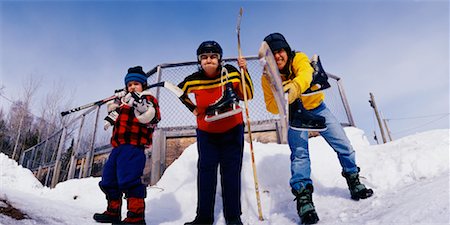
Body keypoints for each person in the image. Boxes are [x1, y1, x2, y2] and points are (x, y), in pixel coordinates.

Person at [261, 33, 373, 224]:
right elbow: (271, 105)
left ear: (287, 51)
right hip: (295, 114)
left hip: (318, 109)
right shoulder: (268, 77)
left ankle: (354, 181)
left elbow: (306, 74)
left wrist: (293, 87)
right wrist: (282, 96)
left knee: (343, 144)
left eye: (280, 51)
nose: (278, 56)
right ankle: (304, 199)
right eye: (273, 54)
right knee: (300, 154)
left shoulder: (299, 58)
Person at [178, 41, 254, 225]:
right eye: (204, 57)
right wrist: (193, 109)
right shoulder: (193, 79)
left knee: (231, 172)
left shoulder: (231, 72)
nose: (208, 60)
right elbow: (179, 92)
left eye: (213, 56)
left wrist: (245, 71)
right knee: (206, 173)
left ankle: (233, 217)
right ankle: (203, 217)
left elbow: (248, 95)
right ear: (199, 60)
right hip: (207, 133)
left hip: (232, 130)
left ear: (219, 58)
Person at [93, 66, 161, 225]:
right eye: (129, 84)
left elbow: (154, 118)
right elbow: (114, 115)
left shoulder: (147, 98)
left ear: (143, 85)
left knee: (129, 180)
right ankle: (113, 211)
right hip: (117, 147)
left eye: (136, 84)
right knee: (109, 180)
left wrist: (139, 104)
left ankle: (136, 216)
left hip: (134, 146)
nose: (132, 87)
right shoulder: (124, 102)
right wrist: (115, 105)